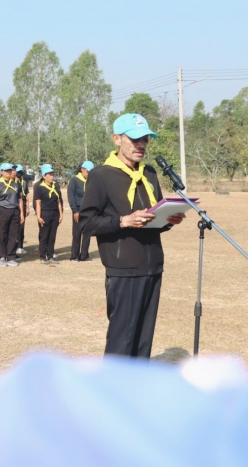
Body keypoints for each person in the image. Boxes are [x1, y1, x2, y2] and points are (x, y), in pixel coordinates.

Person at [80, 113, 186, 359]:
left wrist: (168, 220)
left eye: (145, 139)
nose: (141, 145)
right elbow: (86, 223)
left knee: (143, 339)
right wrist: (123, 221)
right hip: (123, 266)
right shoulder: (101, 175)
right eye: (135, 139)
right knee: (122, 340)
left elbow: (152, 218)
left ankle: (138, 381)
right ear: (117, 139)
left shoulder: (149, 173)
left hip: (152, 264)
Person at [0, 163, 25, 267]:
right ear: (1, 171)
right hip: (2, 210)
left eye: (10, 170)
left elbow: (20, 199)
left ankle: (11, 256)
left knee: (13, 235)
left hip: (14, 211)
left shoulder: (15, 184)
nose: (9, 172)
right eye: (6, 171)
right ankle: (1, 257)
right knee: (2, 234)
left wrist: (21, 213)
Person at [35, 164, 64, 265]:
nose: (52, 177)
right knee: (44, 236)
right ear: (44, 176)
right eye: (50, 175)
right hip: (45, 213)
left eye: (53, 174)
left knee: (52, 236)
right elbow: (38, 203)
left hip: (55, 213)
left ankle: (50, 255)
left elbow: (58, 201)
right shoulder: (39, 187)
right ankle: (43, 257)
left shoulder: (55, 186)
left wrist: (61, 214)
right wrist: (38, 216)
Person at [67, 161, 94, 262]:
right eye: (87, 171)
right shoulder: (74, 180)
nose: (89, 174)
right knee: (77, 234)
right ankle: (74, 256)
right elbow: (71, 197)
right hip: (78, 211)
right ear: (82, 169)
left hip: (88, 211)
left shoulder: (90, 181)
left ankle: (84, 256)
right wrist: (75, 211)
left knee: (87, 234)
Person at [14, 164, 29, 255]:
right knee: (15, 227)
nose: (19, 174)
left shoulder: (24, 182)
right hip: (15, 204)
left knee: (22, 226)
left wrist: (27, 207)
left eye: (20, 172)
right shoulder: (13, 182)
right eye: (18, 172)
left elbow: (26, 195)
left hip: (22, 204)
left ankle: (20, 246)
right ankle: (14, 247)